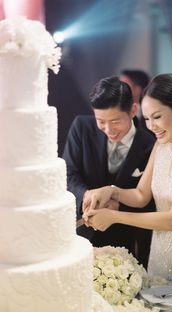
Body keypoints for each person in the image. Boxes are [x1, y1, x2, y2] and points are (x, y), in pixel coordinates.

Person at [83, 74, 172, 300]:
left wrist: (114, 217)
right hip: (159, 254)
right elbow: (141, 195)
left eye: (157, 117)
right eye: (146, 119)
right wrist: (111, 190)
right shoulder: (161, 144)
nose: (151, 126)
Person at [63, 76, 156, 268]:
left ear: (132, 110)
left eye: (115, 121)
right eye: (100, 121)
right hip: (82, 234)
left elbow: (151, 198)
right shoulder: (81, 127)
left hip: (126, 239)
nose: (108, 129)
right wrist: (86, 195)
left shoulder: (150, 144)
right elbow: (68, 173)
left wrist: (118, 208)